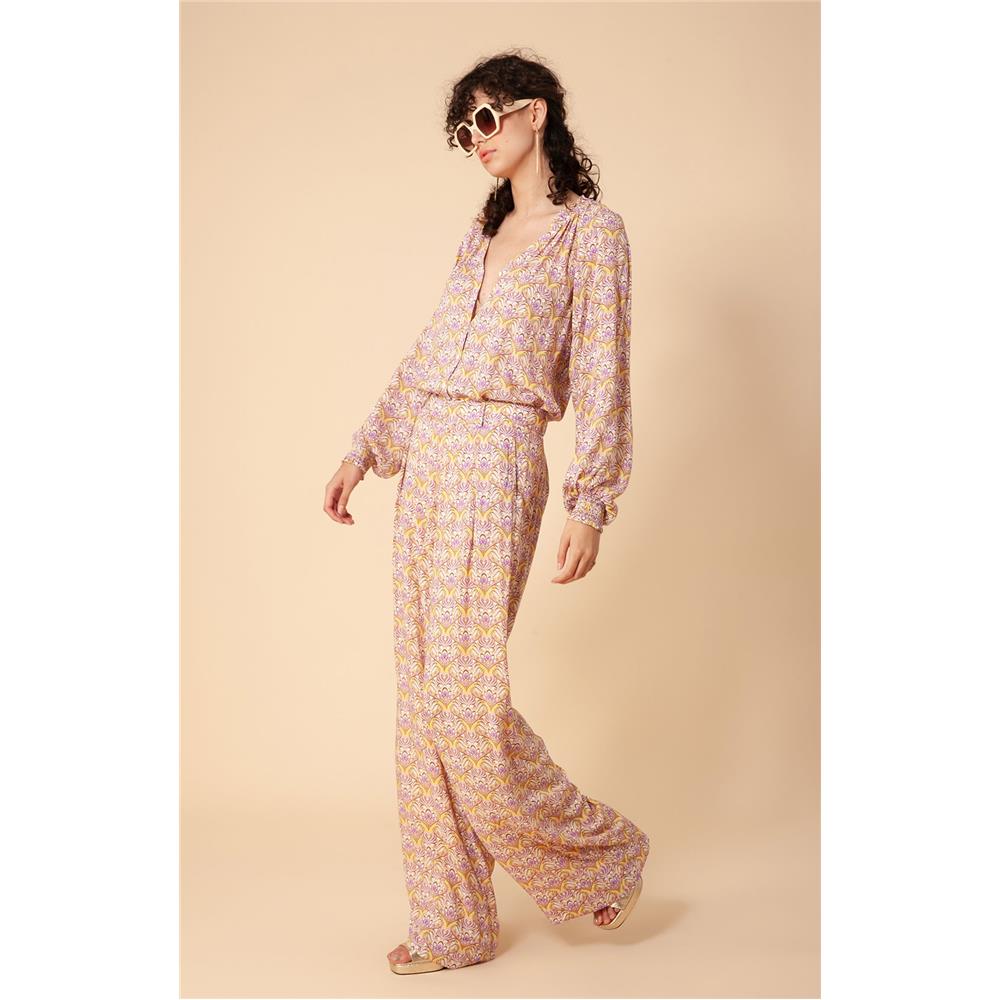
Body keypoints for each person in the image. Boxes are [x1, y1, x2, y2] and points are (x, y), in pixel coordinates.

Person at [323, 54, 649, 974]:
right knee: (423, 705)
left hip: (500, 456)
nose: (475, 140)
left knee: (465, 704)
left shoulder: (591, 234)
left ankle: (603, 853)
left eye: (486, 119)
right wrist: (365, 448)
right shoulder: (482, 234)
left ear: (534, 113)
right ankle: (454, 923)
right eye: (462, 130)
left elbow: (603, 369)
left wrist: (591, 501)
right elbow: (431, 354)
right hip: (428, 461)